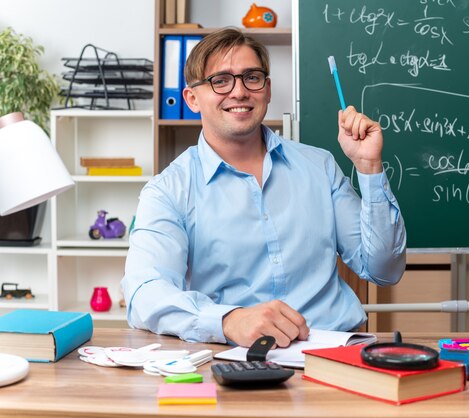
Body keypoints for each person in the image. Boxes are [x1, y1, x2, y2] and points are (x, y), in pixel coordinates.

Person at [121, 28, 406, 348]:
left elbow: (384, 269)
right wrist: (228, 320)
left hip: (335, 353)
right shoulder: (168, 190)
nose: (239, 92)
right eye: (220, 80)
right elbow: (145, 293)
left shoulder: (320, 166)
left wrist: (369, 168)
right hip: (239, 359)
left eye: (251, 78)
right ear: (192, 99)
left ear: (267, 90)